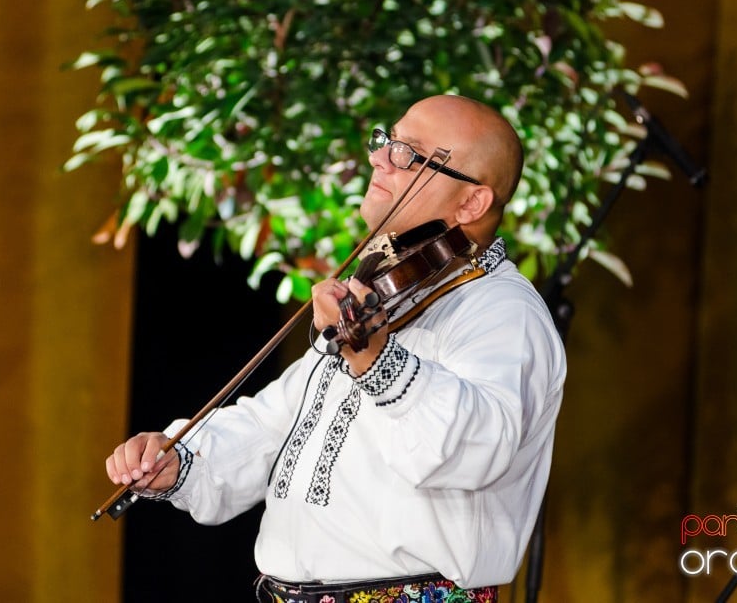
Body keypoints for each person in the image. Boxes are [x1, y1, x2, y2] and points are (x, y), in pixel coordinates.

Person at [106, 94, 567, 602]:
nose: (378, 157)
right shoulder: (389, 296)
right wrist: (182, 460)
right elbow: (275, 423)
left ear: (471, 203)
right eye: (386, 141)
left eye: (407, 154)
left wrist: (377, 362)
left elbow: (478, 447)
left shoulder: (503, 310)